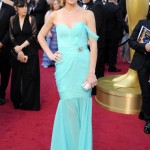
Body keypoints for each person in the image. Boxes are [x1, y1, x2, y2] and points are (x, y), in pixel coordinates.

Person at [38, 0, 98, 148]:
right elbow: (40, 36)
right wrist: (51, 55)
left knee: (82, 107)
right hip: (64, 68)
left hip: (83, 65)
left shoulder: (88, 14)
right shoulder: (55, 15)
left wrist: (91, 72)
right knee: (68, 107)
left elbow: (94, 44)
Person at [9, 0, 40, 110]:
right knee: (17, 77)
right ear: (16, 8)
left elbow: (34, 35)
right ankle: (17, 101)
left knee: (30, 77)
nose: (24, 9)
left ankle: (29, 103)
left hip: (30, 51)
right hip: (17, 52)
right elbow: (11, 35)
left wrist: (21, 47)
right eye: (22, 7)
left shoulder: (32, 19)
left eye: (26, 7)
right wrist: (18, 49)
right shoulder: (12, 19)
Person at [129, 9, 150, 134]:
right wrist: (144, 47)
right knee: (146, 91)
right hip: (142, 62)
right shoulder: (142, 23)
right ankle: (148, 119)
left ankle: (144, 111)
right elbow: (131, 41)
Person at [104, 0, 128, 72]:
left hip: (105, 32)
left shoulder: (104, 6)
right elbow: (121, 20)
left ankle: (106, 62)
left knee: (106, 48)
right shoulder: (116, 8)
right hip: (114, 33)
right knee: (113, 50)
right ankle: (112, 66)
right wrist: (128, 29)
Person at [0, 0, 15, 105]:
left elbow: (11, 29)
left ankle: (1, 94)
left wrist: (2, 42)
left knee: (5, 72)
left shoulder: (9, 9)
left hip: (4, 47)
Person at [41, 0, 60, 68]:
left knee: (57, 47)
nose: (57, 5)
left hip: (58, 32)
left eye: (57, 3)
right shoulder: (49, 13)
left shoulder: (61, 13)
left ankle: (55, 62)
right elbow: (46, 24)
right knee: (49, 46)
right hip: (51, 32)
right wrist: (48, 32)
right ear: (52, 5)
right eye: (55, 4)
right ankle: (47, 62)